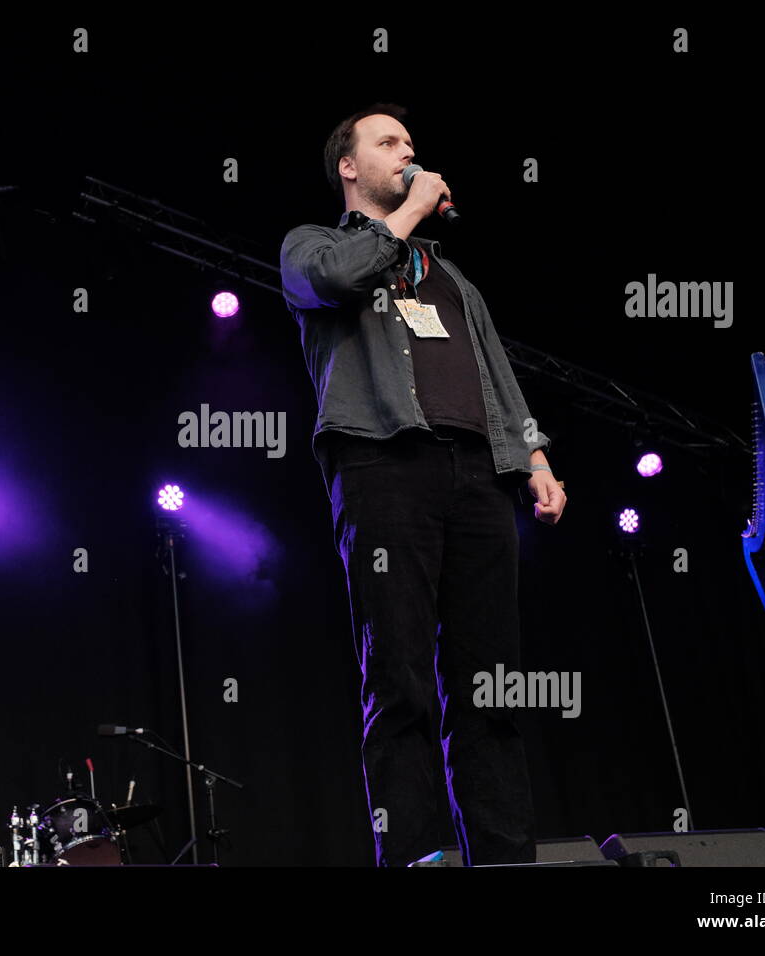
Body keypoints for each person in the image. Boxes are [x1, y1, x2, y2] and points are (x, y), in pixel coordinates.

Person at [278, 103, 567, 867]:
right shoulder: (312, 245)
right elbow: (335, 280)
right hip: (382, 463)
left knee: (492, 688)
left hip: (478, 474)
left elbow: (494, 372)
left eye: (411, 143)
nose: (408, 152)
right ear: (349, 166)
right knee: (401, 678)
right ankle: (416, 855)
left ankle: (505, 857)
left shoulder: (451, 276)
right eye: (389, 143)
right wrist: (406, 211)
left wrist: (534, 456)